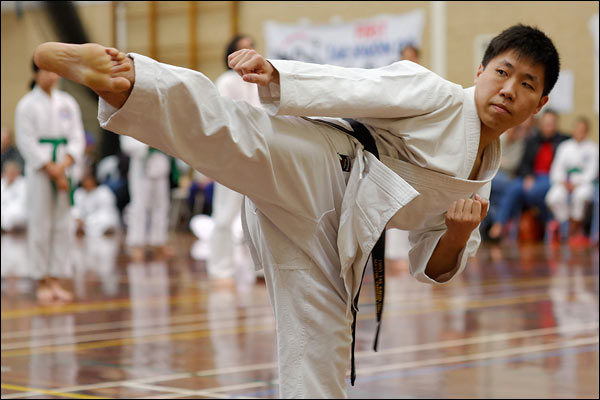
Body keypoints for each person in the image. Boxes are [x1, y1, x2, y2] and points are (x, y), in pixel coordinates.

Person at [34, 24, 559, 397]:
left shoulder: (482, 188)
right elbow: (359, 85)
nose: (509, 89)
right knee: (236, 131)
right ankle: (127, 78)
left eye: (527, 85)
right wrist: (277, 73)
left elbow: (433, 268)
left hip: (338, 241)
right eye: (503, 72)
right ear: (481, 71)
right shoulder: (437, 95)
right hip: (329, 165)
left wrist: (456, 233)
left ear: (538, 106)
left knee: (319, 353)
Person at [15, 60, 85, 304]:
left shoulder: (67, 102)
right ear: (35, 72)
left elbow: (77, 138)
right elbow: (26, 142)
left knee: (63, 225)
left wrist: (64, 166)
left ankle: (57, 278)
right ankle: (41, 280)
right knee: (41, 223)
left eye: (55, 70)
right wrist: (51, 169)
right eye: (46, 70)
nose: (52, 75)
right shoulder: (27, 105)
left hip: (64, 166)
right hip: (40, 171)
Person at [209, 34, 261, 283]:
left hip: (259, 155)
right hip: (231, 154)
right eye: (243, 48)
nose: (249, 51)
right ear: (231, 55)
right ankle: (221, 269)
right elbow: (222, 118)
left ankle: (262, 269)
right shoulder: (226, 82)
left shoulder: (261, 83)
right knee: (225, 214)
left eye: (252, 47)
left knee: (263, 214)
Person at [488, 109, 568, 240]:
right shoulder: (532, 141)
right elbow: (524, 164)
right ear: (541, 124)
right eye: (546, 123)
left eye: (552, 123)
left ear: (556, 124)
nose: (549, 126)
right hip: (533, 176)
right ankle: (499, 224)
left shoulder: (564, 142)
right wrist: (528, 176)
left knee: (533, 192)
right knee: (513, 188)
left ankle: (546, 220)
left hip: (551, 177)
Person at [545, 117, 598, 246]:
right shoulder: (564, 147)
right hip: (564, 183)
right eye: (577, 129)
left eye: (582, 130)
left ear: (586, 131)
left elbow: (593, 171)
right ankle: (566, 225)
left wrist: (578, 183)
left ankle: (573, 231)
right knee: (553, 197)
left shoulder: (593, 148)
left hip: (583, 184)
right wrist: (563, 181)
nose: (579, 132)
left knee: (581, 196)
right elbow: (557, 168)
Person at [120, 135, 174, 261]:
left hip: (160, 164)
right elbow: (127, 144)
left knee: (162, 205)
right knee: (139, 205)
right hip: (141, 166)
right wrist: (149, 142)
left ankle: (158, 241)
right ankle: (137, 243)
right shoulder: (132, 116)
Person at [481, 115, 533, 239]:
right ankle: (498, 224)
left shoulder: (520, 144)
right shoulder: (499, 139)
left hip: (506, 178)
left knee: (507, 192)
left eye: (515, 130)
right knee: (508, 190)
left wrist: (500, 161)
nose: (511, 132)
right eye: (510, 129)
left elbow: (513, 165)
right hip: (495, 175)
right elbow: (491, 159)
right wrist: (502, 162)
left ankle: (495, 225)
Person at [72, 166, 121, 237]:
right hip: (84, 221)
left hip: (98, 220)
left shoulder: (103, 191)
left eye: (89, 180)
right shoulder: (79, 193)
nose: (87, 183)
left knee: (107, 220)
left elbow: (106, 211)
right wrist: (78, 218)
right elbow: (76, 208)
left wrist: (88, 221)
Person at [1, 160, 27, 232]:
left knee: (13, 215)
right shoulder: (2, 183)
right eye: (8, 172)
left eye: (12, 173)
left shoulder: (23, 184)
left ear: (17, 173)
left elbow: (21, 204)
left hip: (18, 214)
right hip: (4, 212)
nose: (10, 175)